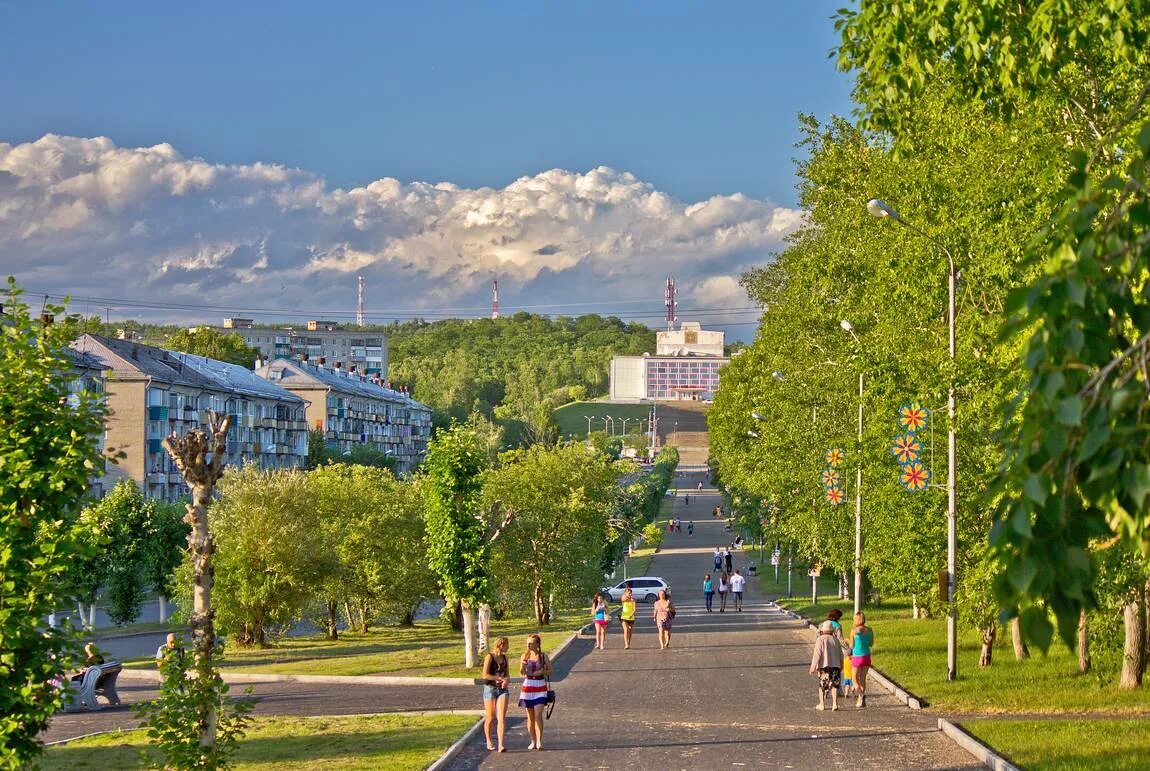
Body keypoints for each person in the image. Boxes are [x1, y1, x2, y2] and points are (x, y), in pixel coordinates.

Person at [518, 634, 553, 750]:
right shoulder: (524, 656)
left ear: (537, 644)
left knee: (538, 715)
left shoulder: (543, 656)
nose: (528, 645)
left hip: (540, 686)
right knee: (530, 717)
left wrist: (542, 672)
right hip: (528, 686)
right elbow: (521, 673)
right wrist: (523, 666)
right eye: (527, 643)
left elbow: (550, 671)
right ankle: (532, 740)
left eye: (531, 643)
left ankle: (539, 741)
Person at [481, 636, 510, 752]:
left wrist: (506, 680)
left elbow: (507, 675)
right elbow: (485, 675)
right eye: (506, 645)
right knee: (490, 716)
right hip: (490, 689)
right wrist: (497, 678)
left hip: (502, 690)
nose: (508, 647)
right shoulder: (490, 657)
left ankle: (501, 744)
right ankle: (489, 740)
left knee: (501, 717)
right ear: (500, 645)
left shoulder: (505, 658)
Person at [810, 620, 844, 711]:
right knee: (834, 686)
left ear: (823, 630)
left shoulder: (820, 639)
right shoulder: (835, 640)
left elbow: (817, 654)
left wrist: (813, 667)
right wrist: (842, 665)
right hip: (836, 666)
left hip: (824, 667)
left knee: (822, 686)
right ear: (832, 631)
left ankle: (822, 704)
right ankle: (835, 704)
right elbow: (841, 654)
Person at [849, 611, 875, 708]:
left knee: (854, 679)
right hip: (867, 657)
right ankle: (860, 701)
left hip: (857, 657)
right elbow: (871, 644)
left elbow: (852, 646)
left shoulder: (854, 631)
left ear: (855, 619)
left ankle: (861, 695)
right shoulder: (870, 630)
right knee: (863, 678)